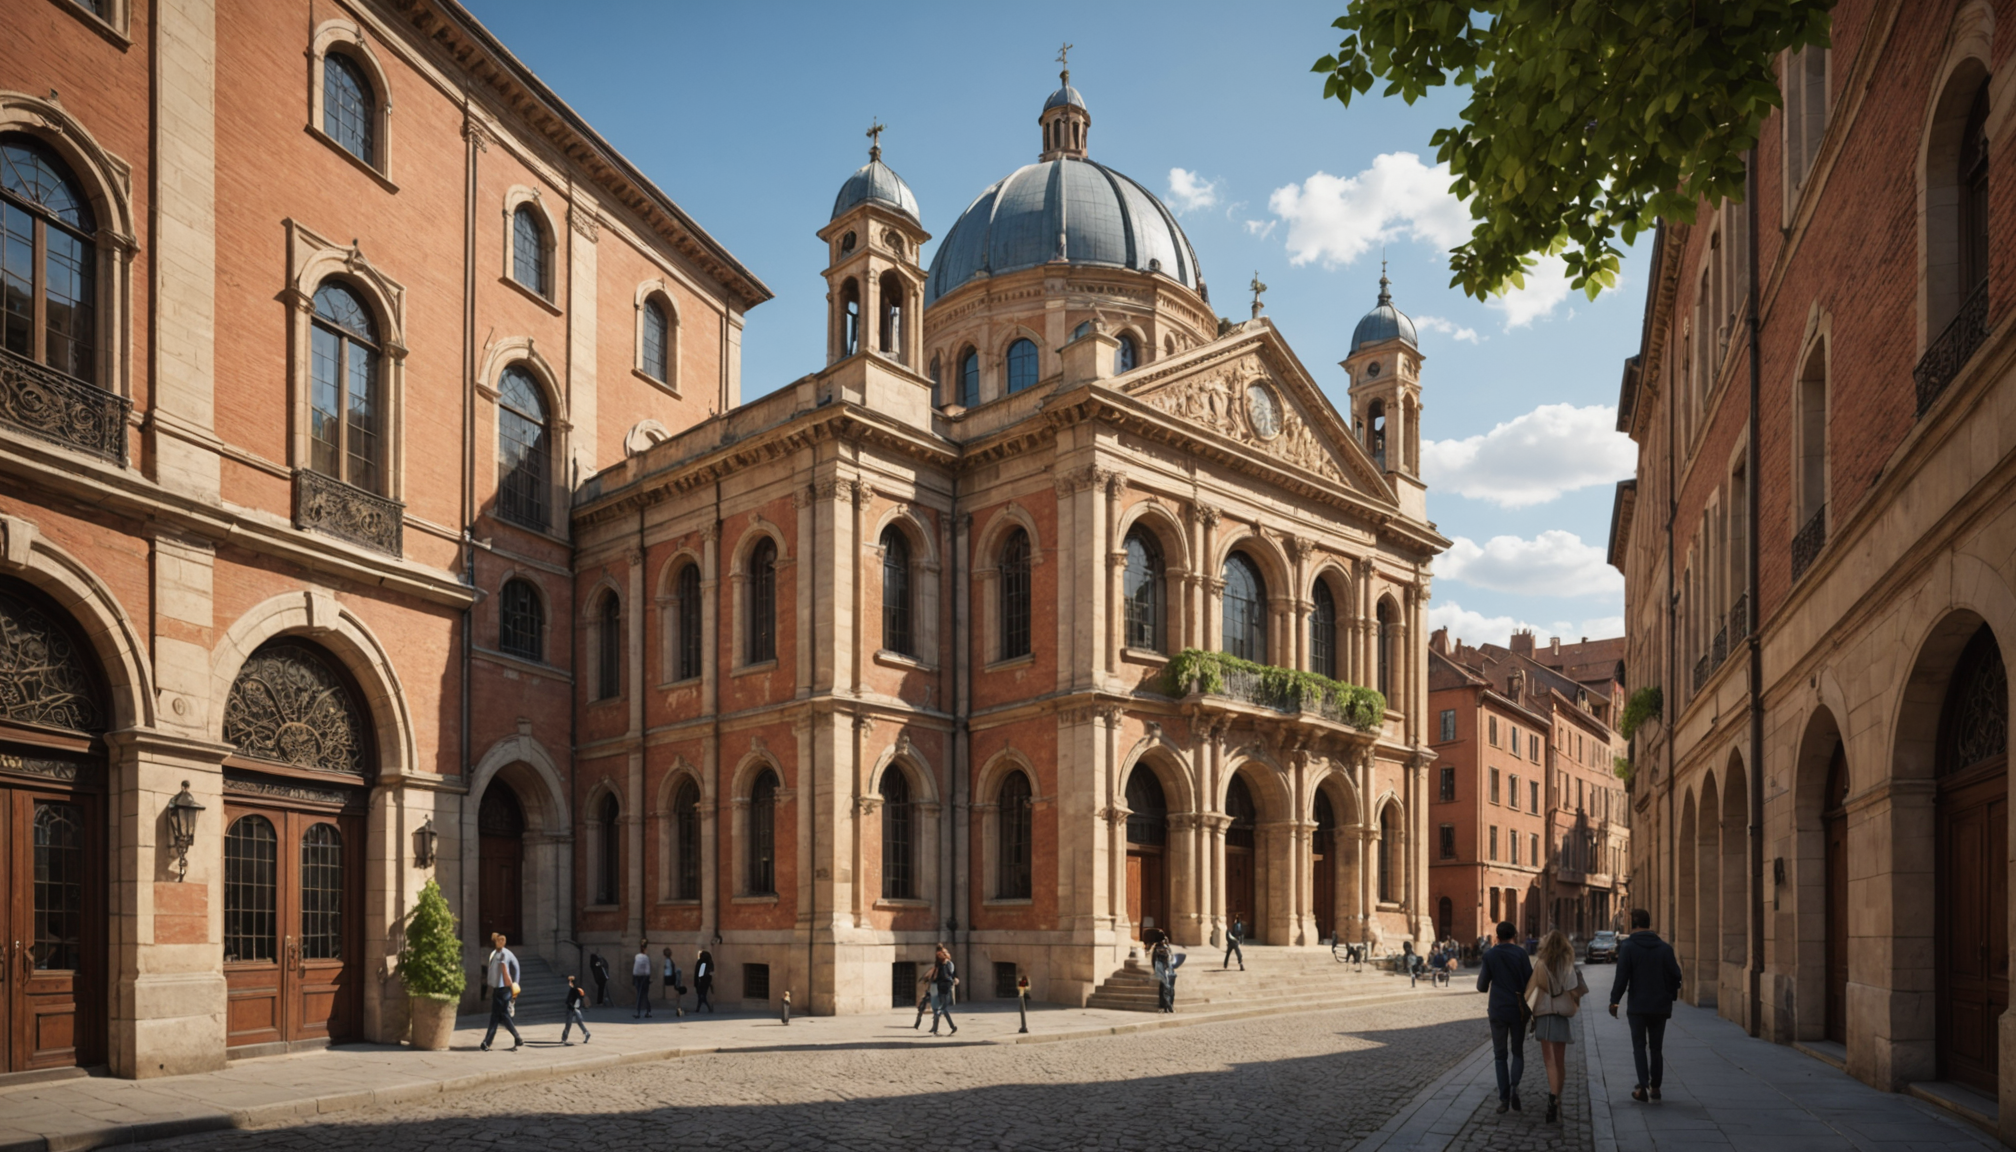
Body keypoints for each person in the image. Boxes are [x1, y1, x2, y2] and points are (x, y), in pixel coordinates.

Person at [1609, 907, 1684, 1103]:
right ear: (1649, 924)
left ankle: (1642, 1086)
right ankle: (1656, 1087)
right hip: (1660, 1006)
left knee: (1639, 1046)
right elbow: (1676, 975)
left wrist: (1614, 1001)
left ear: (1633, 924)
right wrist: (1669, 994)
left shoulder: (1628, 947)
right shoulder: (1665, 948)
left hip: (1638, 1007)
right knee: (1656, 1048)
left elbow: (1621, 977)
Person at [1527, 929, 1589, 1124]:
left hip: (1544, 1015)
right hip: (1561, 1015)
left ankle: (1553, 1097)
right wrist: (1575, 1002)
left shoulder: (1540, 965)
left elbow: (1531, 990)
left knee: (1549, 1062)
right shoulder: (1567, 965)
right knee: (1560, 1062)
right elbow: (1573, 990)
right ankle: (1556, 1097)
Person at [1476, 919, 1533, 1114]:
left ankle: (1504, 1098)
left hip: (1498, 1010)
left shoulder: (1490, 955)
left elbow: (1482, 986)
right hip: (1518, 1010)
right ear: (1514, 935)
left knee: (1500, 1056)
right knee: (1517, 1052)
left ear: (1497, 937)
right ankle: (1515, 1084)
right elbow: (1530, 982)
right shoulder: (1521, 954)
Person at [480, 932, 524, 1052]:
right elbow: (516, 966)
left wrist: (513, 985)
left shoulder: (503, 954)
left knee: (502, 1015)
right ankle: (486, 1043)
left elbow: (506, 971)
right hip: (500, 989)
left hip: (503, 989)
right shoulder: (498, 953)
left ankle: (517, 1037)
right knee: (498, 1016)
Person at [928, 943, 958, 1036]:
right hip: (944, 987)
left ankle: (937, 1028)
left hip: (941, 987)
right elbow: (948, 976)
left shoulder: (940, 965)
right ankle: (951, 1027)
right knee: (943, 1009)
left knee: (942, 1008)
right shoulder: (945, 965)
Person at [561, 974, 591, 1045]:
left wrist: (569, 1004)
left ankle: (564, 1038)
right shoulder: (579, 989)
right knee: (579, 1022)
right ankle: (587, 1033)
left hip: (572, 1009)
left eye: (570, 981)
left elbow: (569, 1000)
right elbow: (582, 998)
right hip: (577, 1009)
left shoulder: (573, 990)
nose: (569, 983)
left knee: (568, 1024)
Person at [1151, 935, 1175, 1013]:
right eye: (1163, 940)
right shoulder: (1158, 949)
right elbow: (1155, 961)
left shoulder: (1167, 949)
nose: (1165, 941)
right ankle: (1166, 1006)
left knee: (1169, 989)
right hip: (1162, 971)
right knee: (1164, 989)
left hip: (1168, 971)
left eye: (1166, 940)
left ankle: (1168, 1005)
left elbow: (1171, 959)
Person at [631, 941, 654, 1019]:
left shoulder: (637, 956)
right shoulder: (645, 957)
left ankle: (639, 1012)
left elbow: (635, 968)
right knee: (643, 995)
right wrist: (649, 978)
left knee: (640, 995)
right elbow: (647, 969)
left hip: (637, 977)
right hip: (644, 977)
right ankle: (647, 1011)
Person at [662, 947, 684, 1017]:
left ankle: (678, 1007)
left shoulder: (667, 961)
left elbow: (667, 969)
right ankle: (678, 1007)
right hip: (671, 977)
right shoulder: (669, 961)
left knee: (677, 992)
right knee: (677, 992)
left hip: (669, 978)